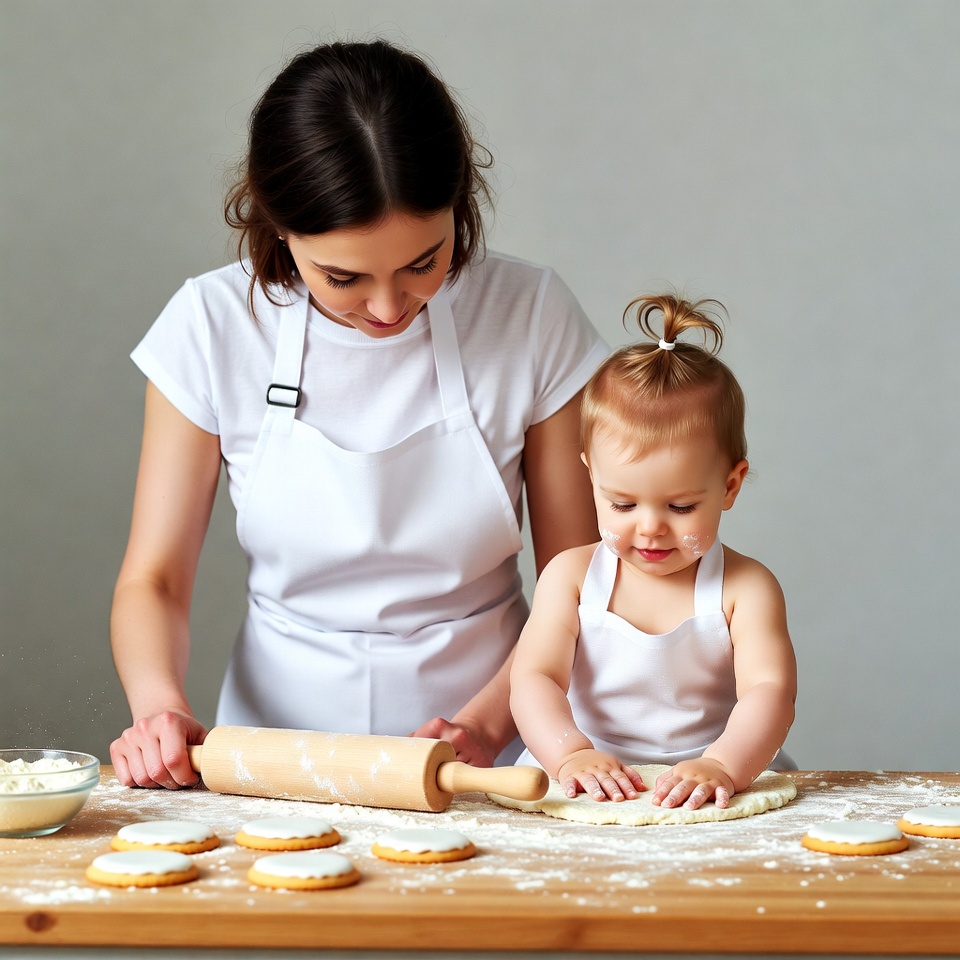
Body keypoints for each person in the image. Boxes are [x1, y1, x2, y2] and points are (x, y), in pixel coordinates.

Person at [109, 39, 608, 789]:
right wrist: (158, 709)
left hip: (498, 759)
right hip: (274, 759)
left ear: (459, 207)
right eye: (343, 276)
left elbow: (582, 578)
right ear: (278, 225)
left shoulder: (530, 315)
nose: (386, 308)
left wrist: (490, 724)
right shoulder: (210, 326)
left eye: (424, 263)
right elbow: (154, 580)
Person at [509, 293, 797, 810]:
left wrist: (724, 763)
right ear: (590, 476)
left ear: (731, 486)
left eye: (681, 506)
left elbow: (769, 690)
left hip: (717, 772)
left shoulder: (745, 588)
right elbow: (534, 678)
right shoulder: (572, 577)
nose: (649, 530)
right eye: (621, 503)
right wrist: (569, 753)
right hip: (586, 774)